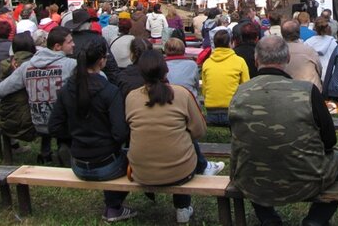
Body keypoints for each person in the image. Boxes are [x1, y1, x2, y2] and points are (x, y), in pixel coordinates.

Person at [229, 35, 338, 226]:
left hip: (252, 179)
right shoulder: (307, 91)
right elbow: (330, 141)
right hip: (307, 180)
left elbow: (240, 137)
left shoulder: (240, 92)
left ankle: (268, 218)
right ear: (287, 59)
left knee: (254, 159)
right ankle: (316, 219)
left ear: (256, 60)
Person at [125, 50, 224, 224]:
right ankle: (183, 207)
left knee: (178, 136)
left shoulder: (131, 97)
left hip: (142, 172)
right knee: (184, 136)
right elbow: (199, 130)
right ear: (166, 70)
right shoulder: (182, 94)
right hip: (181, 171)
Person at [49, 40, 137, 223]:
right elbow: (120, 133)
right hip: (107, 164)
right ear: (102, 61)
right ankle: (113, 207)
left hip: (78, 163)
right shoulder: (110, 91)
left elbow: (55, 126)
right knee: (137, 161)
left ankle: (114, 206)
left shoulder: (67, 89)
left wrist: (75, 136)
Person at [0, 26, 77, 164]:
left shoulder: (26, 67)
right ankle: (67, 147)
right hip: (64, 124)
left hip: (37, 122)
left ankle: (46, 153)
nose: (74, 44)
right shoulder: (71, 65)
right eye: (70, 42)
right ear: (57, 46)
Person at [201, 30, 249, 126]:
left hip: (211, 112)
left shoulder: (207, 63)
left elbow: (204, 89)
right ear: (230, 43)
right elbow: (246, 87)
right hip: (232, 110)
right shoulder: (240, 61)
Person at [0, 32, 37, 144]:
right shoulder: (37, 64)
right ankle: (45, 151)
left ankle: (12, 147)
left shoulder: (5, 64)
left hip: (7, 118)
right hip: (31, 120)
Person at [67, 8, 120, 84]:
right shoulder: (98, 39)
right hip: (96, 82)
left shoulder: (68, 41)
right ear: (89, 23)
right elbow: (111, 66)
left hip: (73, 83)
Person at [281, 20, 323, 91]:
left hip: (288, 90)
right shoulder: (309, 50)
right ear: (299, 32)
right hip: (310, 89)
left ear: (282, 34)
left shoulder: (278, 51)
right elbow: (319, 69)